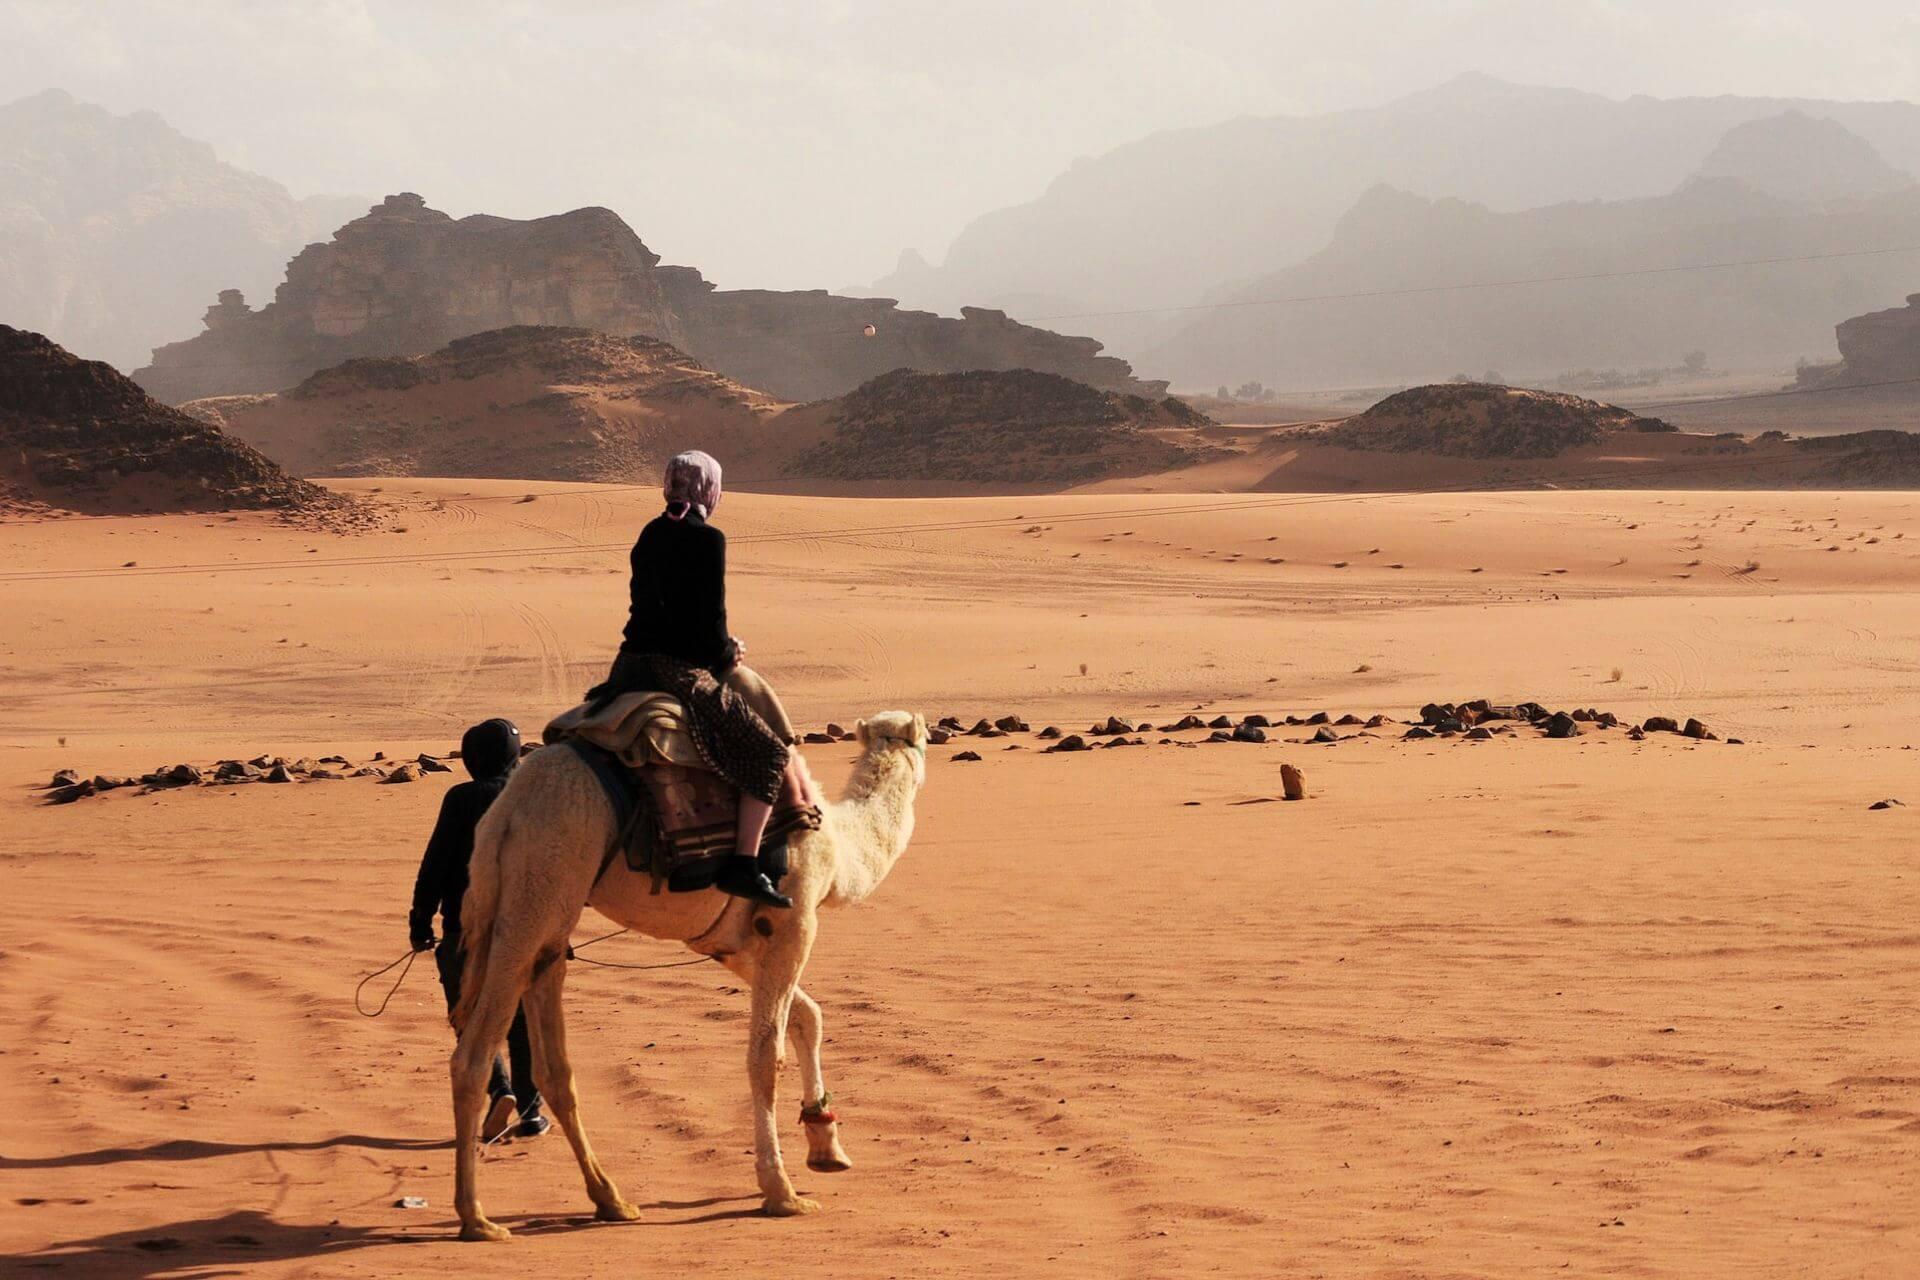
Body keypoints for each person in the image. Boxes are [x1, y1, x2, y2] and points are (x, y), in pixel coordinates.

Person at [587, 450, 800, 909]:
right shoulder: (708, 541)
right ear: (709, 489)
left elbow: (650, 612)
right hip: (675, 670)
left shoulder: (649, 534)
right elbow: (708, 627)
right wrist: (730, 652)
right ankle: (744, 864)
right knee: (767, 755)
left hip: (628, 667)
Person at [409, 717, 549, 1142]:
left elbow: (435, 864)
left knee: (471, 1022)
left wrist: (420, 921)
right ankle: (529, 1112)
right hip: (525, 936)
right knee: (525, 1026)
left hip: (463, 934)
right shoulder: (533, 799)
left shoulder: (460, 798)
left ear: (470, 760)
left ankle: (499, 1090)